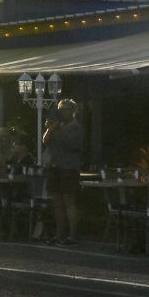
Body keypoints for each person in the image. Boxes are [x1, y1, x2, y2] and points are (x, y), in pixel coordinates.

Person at [42, 99, 85, 245]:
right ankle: (59, 235)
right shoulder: (57, 126)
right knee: (57, 204)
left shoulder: (76, 127)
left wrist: (58, 129)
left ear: (72, 111)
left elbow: (71, 144)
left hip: (68, 167)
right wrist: (50, 128)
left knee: (69, 203)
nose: (62, 112)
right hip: (54, 166)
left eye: (65, 109)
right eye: (60, 109)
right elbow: (45, 141)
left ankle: (72, 236)